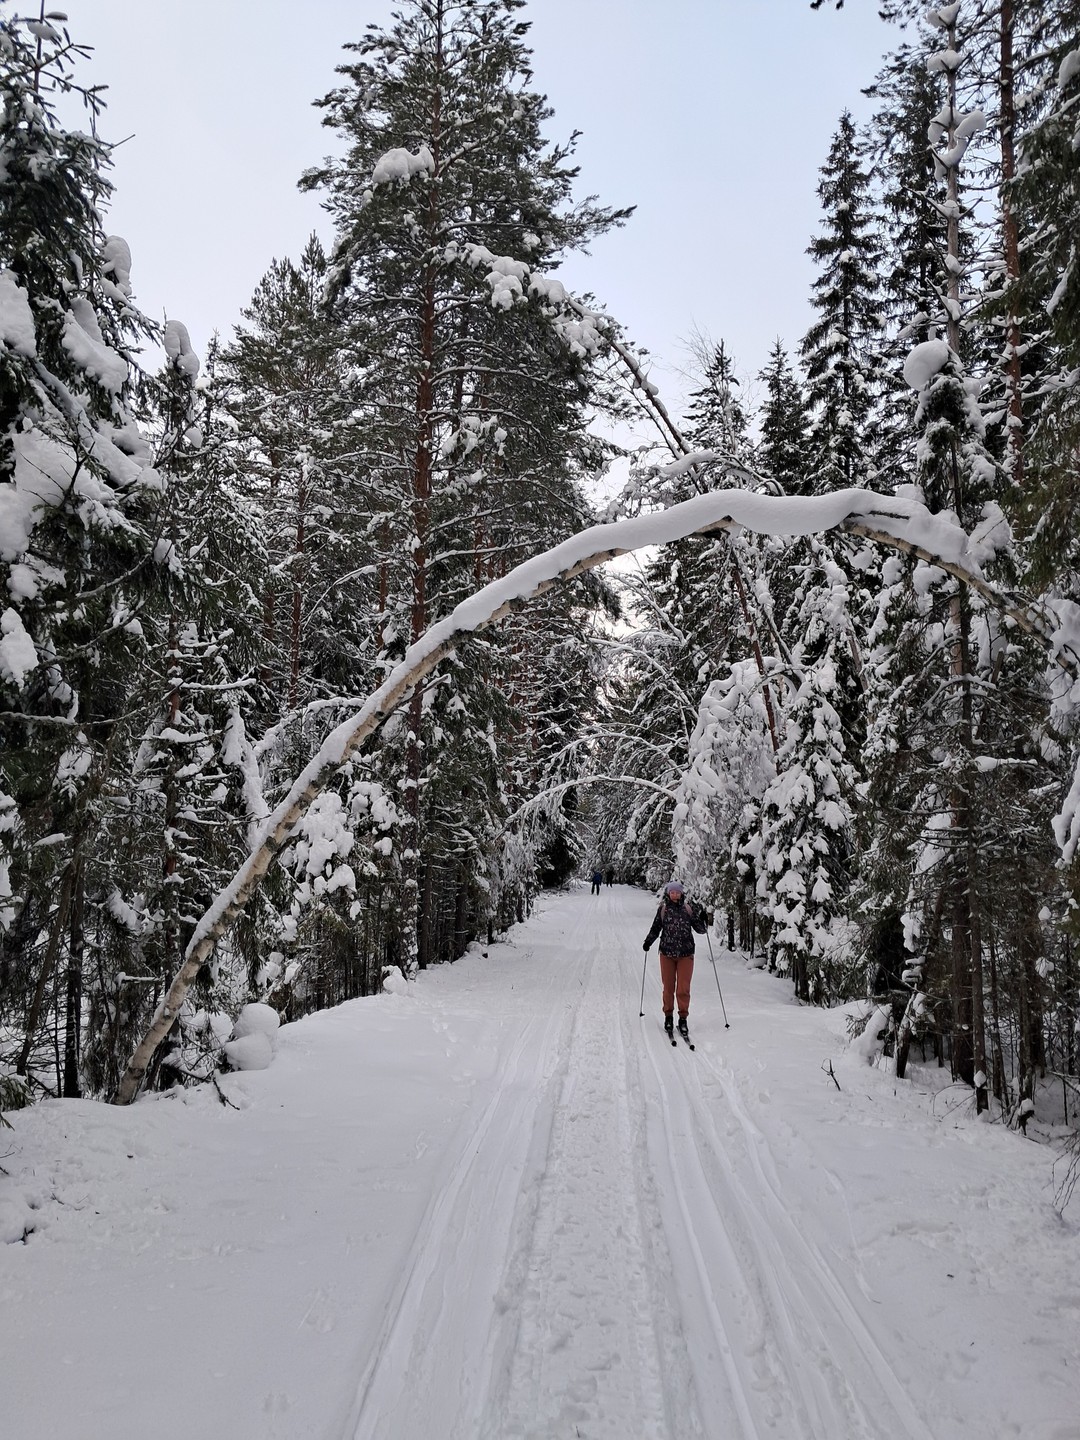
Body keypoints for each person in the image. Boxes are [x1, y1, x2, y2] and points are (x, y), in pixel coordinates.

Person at [643, 880, 709, 1038]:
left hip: (686, 954)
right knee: (668, 987)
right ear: (668, 893)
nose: (674, 895)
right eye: (672, 892)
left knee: (683, 988)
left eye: (677, 892)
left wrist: (704, 919)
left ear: (681, 893)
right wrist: (648, 942)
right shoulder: (663, 909)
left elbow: (700, 930)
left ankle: (683, 1018)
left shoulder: (688, 909)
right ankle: (668, 1017)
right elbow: (656, 928)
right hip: (666, 953)